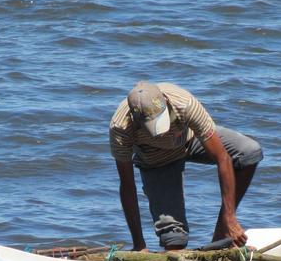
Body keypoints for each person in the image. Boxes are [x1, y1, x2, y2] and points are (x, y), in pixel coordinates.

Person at [110, 81, 262, 252]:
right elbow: (127, 185)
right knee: (175, 238)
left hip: (189, 140)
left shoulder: (183, 103)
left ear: (166, 104)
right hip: (156, 158)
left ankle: (221, 235)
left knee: (249, 152)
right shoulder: (121, 127)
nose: (160, 132)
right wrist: (139, 244)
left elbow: (222, 158)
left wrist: (230, 218)